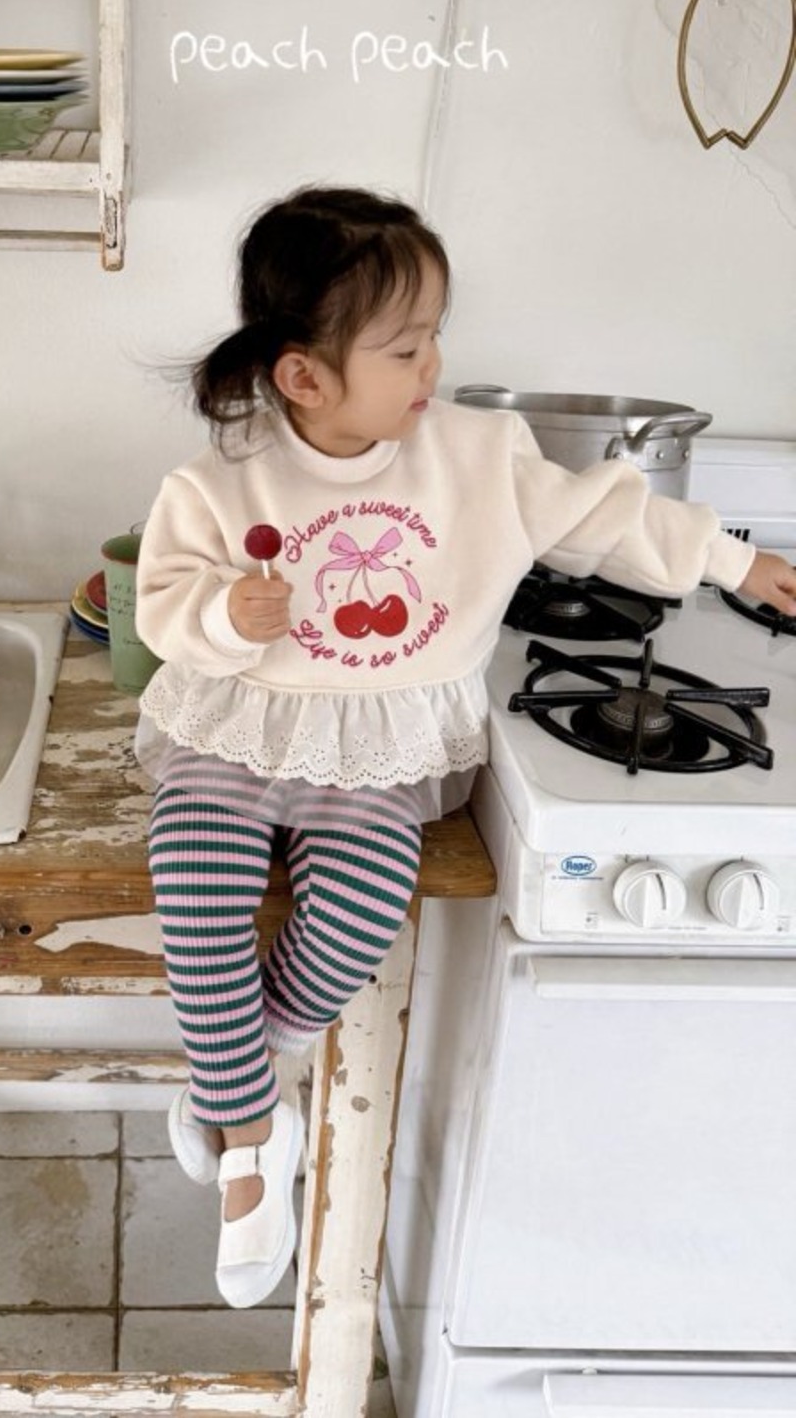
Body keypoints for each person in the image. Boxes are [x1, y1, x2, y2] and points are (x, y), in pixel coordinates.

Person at [132, 184, 796, 1311]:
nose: (432, 365)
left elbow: (604, 516)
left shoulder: (479, 455)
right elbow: (162, 607)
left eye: (434, 334)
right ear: (303, 376)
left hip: (381, 743)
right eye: (403, 348)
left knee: (361, 905)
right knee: (193, 885)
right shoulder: (217, 485)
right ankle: (251, 1140)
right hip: (235, 727)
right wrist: (221, 615)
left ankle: (228, 1082)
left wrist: (734, 561)